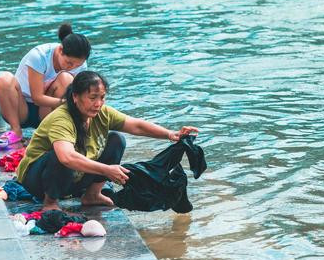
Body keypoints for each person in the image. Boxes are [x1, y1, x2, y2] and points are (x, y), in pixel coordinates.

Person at [16, 70, 199, 210]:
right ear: (75, 97)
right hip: (38, 180)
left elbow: (135, 125)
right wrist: (107, 170)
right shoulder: (62, 118)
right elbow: (66, 158)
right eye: (92, 98)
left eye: (102, 98)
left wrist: (170, 135)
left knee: (116, 140)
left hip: (72, 178)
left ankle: (92, 195)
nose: (98, 104)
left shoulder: (101, 113)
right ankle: (51, 202)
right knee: (60, 156)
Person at [0, 23, 90, 144]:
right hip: (21, 108)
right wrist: (67, 102)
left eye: (77, 65)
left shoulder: (80, 65)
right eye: (69, 63)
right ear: (60, 50)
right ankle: (16, 131)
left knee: (66, 79)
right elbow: (37, 98)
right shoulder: (39, 56)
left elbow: (78, 96)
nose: (72, 68)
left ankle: (53, 133)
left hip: (46, 111)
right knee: (4, 78)